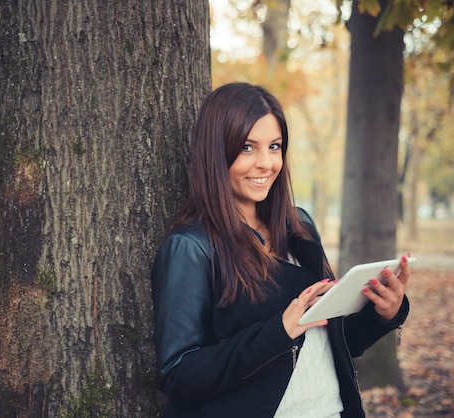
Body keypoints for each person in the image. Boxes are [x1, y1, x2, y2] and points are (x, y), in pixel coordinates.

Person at [150, 83, 411, 418]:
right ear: (216, 152)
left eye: (274, 147)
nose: (265, 163)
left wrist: (384, 313)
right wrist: (278, 332)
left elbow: (331, 343)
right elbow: (179, 374)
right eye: (247, 147)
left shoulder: (298, 226)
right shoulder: (191, 247)